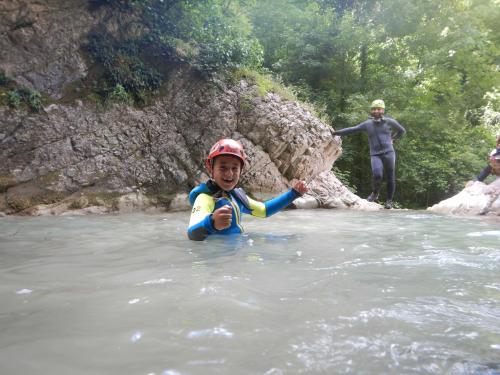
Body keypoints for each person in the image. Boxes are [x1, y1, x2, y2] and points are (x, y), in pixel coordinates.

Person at [187, 138, 308, 241]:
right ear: (210, 167)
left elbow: (264, 210)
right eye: (223, 167)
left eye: (235, 168)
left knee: (281, 241)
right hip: (218, 260)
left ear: (241, 170)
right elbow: (192, 233)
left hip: (235, 251)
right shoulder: (205, 198)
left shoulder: (236, 197)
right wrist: (212, 223)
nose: (229, 174)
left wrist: (294, 194)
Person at [331, 99, 406, 209]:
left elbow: (402, 130)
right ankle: (375, 194)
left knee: (390, 176)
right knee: (377, 175)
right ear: (372, 111)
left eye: (379, 109)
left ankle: (389, 200)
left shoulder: (389, 122)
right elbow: (353, 129)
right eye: (374, 109)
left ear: (383, 110)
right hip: (375, 154)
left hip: (389, 152)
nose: (376, 111)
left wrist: (393, 139)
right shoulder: (367, 124)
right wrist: (336, 132)